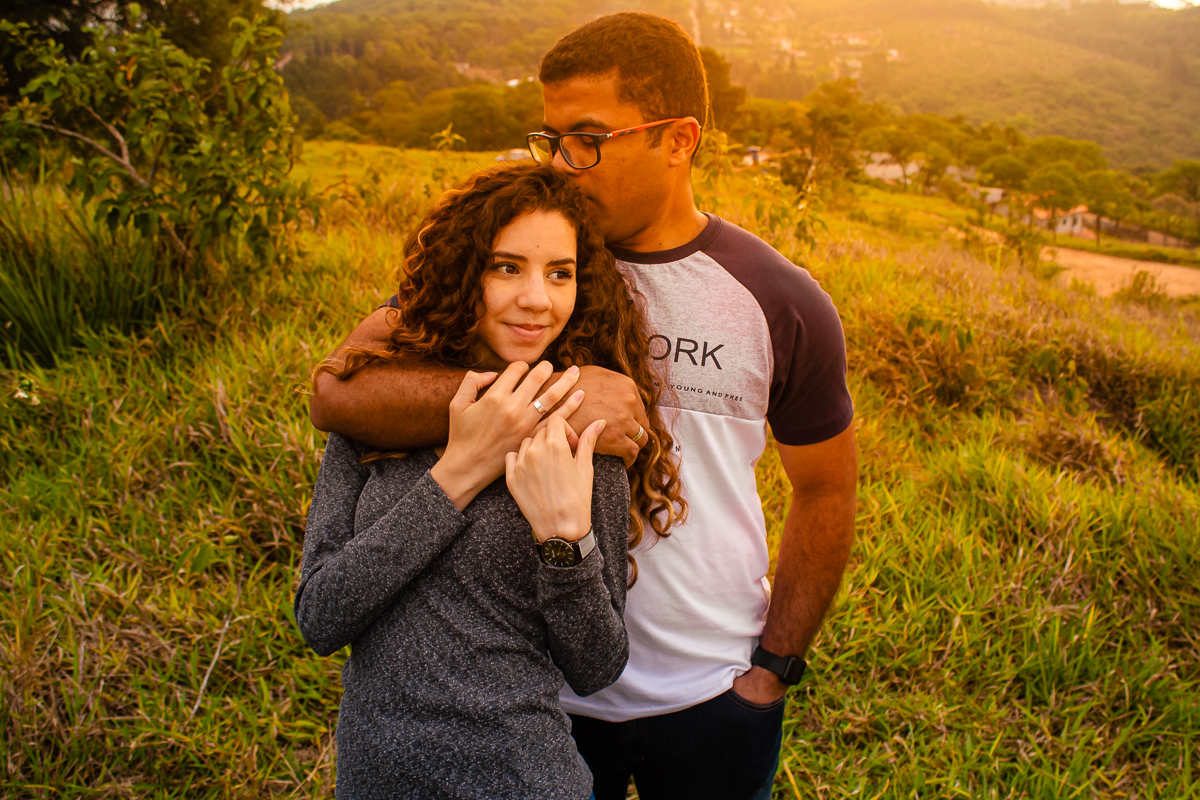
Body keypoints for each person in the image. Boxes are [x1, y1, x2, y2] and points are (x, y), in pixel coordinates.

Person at [309, 12, 858, 800]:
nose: (565, 164)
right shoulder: (528, 254)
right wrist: (551, 403)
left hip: (711, 692)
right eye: (553, 137)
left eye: (590, 139)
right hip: (540, 701)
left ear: (678, 139)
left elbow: (827, 490)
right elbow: (342, 389)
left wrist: (773, 670)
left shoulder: (779, 299)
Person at [295, 164, 685, 800]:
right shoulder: (378, 419)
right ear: (462, 273)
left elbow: (596, 666)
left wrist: (566, 540)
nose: (537, 299)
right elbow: (320, 616)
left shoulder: (586, 440)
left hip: (525, 778)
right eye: (507, 267)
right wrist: (460, 472)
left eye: (560, 273)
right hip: (374, 782)